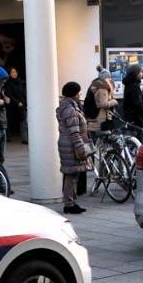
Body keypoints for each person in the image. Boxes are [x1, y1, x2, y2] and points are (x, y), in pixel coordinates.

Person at [57, 82, 91, 215]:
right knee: (71, 175)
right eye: (78, 92)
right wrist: (80, 147)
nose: (79, 95)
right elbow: (74, 132)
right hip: (71, 145)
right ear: (73, 94)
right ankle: (69, 204)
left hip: (67, 144)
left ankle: (71, 202)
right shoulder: (70, 110)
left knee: (71, 174)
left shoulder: (67, 106)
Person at [84, 68, 117, 137]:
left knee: (94, 141)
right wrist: (114, 101)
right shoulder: (102, 88)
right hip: (100, 119)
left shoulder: (95, 85)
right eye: (109, 78)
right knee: (101, 141)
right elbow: (103, 104)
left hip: (93, 118)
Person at [3, 67, 26, 138]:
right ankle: (8, 136)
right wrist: (17, 102)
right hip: (12, 105)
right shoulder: (8, 83)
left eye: (15, 72)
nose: (14, 73)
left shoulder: (19, 82)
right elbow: (9, 95)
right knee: (10, 120)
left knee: (23, 120)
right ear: (9, 74)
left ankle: (24, 137)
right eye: (12, 72)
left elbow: (23, 93)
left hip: (21, 104)